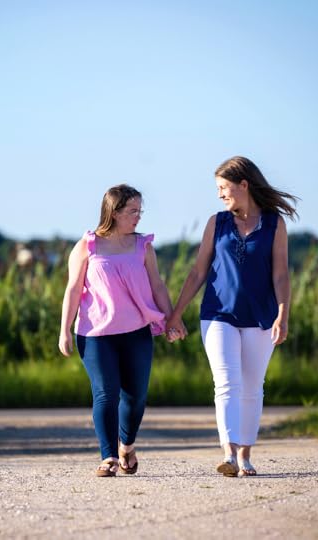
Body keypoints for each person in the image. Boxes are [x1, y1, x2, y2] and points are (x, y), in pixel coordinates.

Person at [166, 156, 299, 477]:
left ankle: (245, 455)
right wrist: (176, 313)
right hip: (217, 314)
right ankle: (228, 452)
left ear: (244, 185)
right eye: (217, 188)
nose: (220, 194)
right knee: (226, 383)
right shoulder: (217, 222)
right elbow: (198, 271)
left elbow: (281, 275)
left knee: (253, 387)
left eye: (224, 187)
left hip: (262, 316)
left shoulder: (274, 224)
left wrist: (283, 315)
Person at [59, 184, 174, 477]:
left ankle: (127, 445)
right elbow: (73, 289)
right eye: (132, 211)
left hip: (136, 332)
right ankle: (108, 456)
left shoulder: (143, 246)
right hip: (95, 333)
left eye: (140, 211)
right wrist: (64, 330)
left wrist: (172, 318)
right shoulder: (88, 245)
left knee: (136, 398)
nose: (138, 217)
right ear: (114, 211)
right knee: (105, 394)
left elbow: (157, 285)